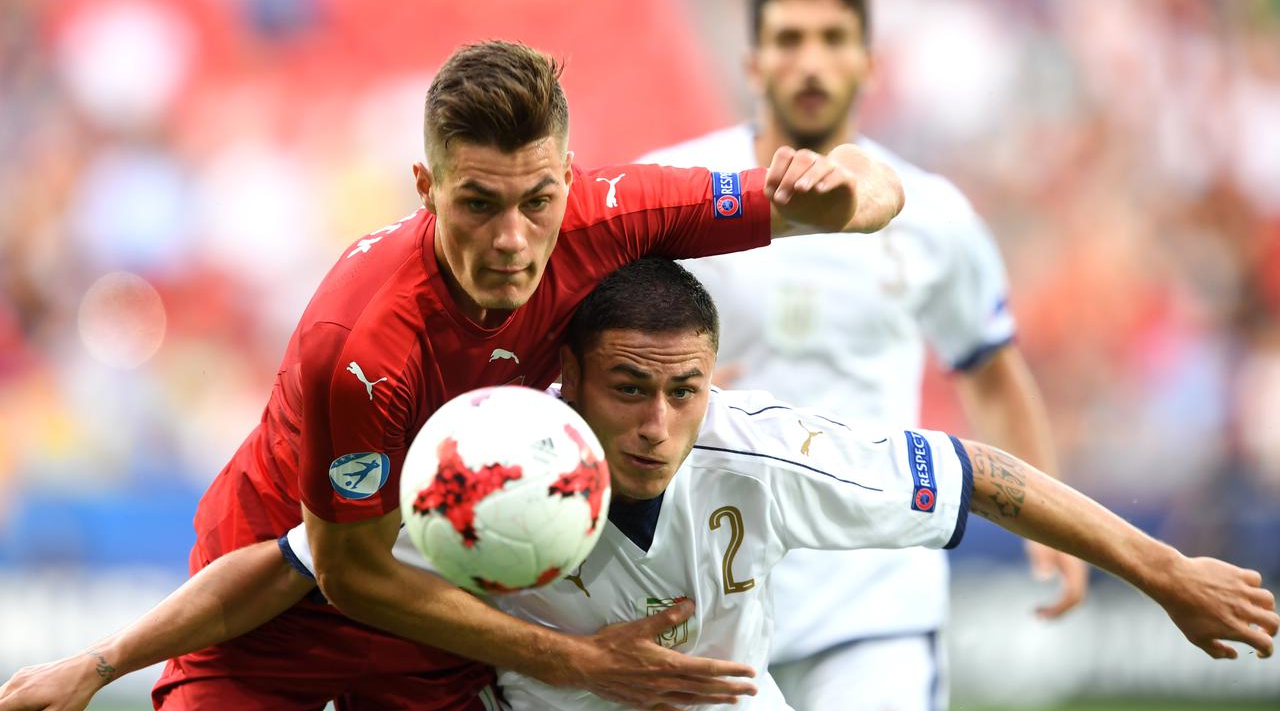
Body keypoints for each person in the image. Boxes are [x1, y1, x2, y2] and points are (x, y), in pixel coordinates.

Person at [0, 39, 907, 711]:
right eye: (478, 204)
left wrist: (842, 181)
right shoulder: (358, 343)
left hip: (438, 620)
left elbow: (868, 195)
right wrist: (575, 662)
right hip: (264, 619)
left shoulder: (615, 214)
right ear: (425, 188)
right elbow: (334, 570)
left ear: (569, 178)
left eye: (537, 200)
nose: (512, 239)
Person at [4, 259, 1274, 711]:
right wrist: (100, 663)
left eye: (685, 389)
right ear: (567, 374)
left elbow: (978, 472)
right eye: (627, 390)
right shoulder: (482, 465)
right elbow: (281, 571)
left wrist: (1162, 573)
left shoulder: (760, 450)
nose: (660, 423)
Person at [636, 0, 1088, 708]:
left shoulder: (932, 213)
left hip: (876, 596)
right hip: (710, 592)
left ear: (870, 62)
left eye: (832, 38)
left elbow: (992, 373)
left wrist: (1051, 524)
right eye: (788, 39)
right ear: (753, 62)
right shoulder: (676, 196)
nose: (810, 61)